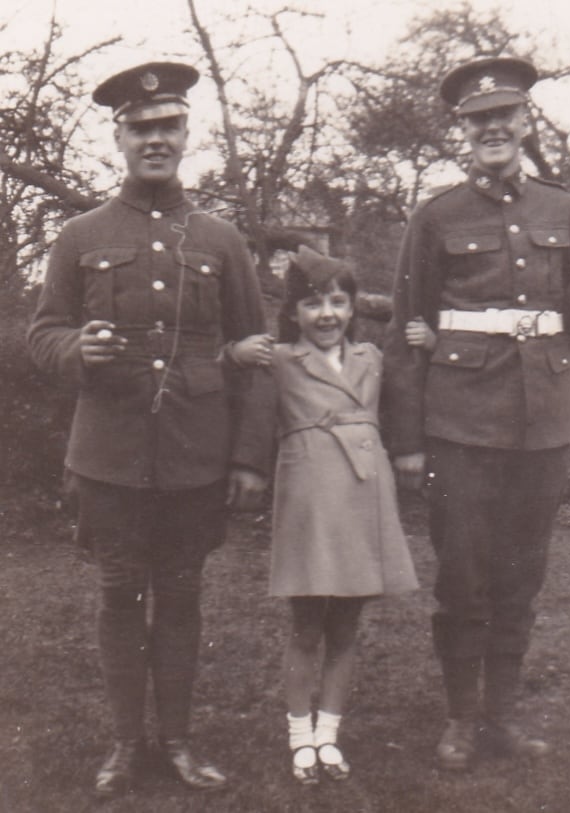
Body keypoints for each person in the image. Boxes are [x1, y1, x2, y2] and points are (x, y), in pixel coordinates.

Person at [28, 61, 272, 798]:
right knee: (117, 592)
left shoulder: (222, 238)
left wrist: (249, 459)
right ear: (119, 137)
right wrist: (78, 350)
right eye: (142, 128)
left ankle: (179, 741)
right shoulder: (80, 234)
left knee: (184, 594)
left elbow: (256, 354)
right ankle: (126, 743)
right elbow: (42, 333)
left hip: (196, 455)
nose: (156, 139)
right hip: (108, 455)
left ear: (186, 132)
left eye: (168, 126)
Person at [383, 56, 570, 771]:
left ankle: (501, 715)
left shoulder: (561, 207)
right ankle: (459, 716)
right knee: (464, 575)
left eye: (504, 115)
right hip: (461, 424)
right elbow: (407, 331)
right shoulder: (436, 216)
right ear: (461, 131)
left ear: (524, 120)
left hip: (543, 421)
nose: (493, 129)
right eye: (479, 120)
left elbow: (569, 315)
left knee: (523, 574)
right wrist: (409, 442)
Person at [237, 245, 419, 784]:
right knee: (307, 623)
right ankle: (300, 736)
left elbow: (410, 389)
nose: (327, 315)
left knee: (347, 623)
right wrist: (248, 468)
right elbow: (254, 419)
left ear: (352, 308)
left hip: (365, 491)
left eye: (339, 302)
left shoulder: (372, 358)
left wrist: (425, 337)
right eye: (314, 304)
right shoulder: (281, 361)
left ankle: (328, 735)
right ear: (293, 313)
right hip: (311, 494)